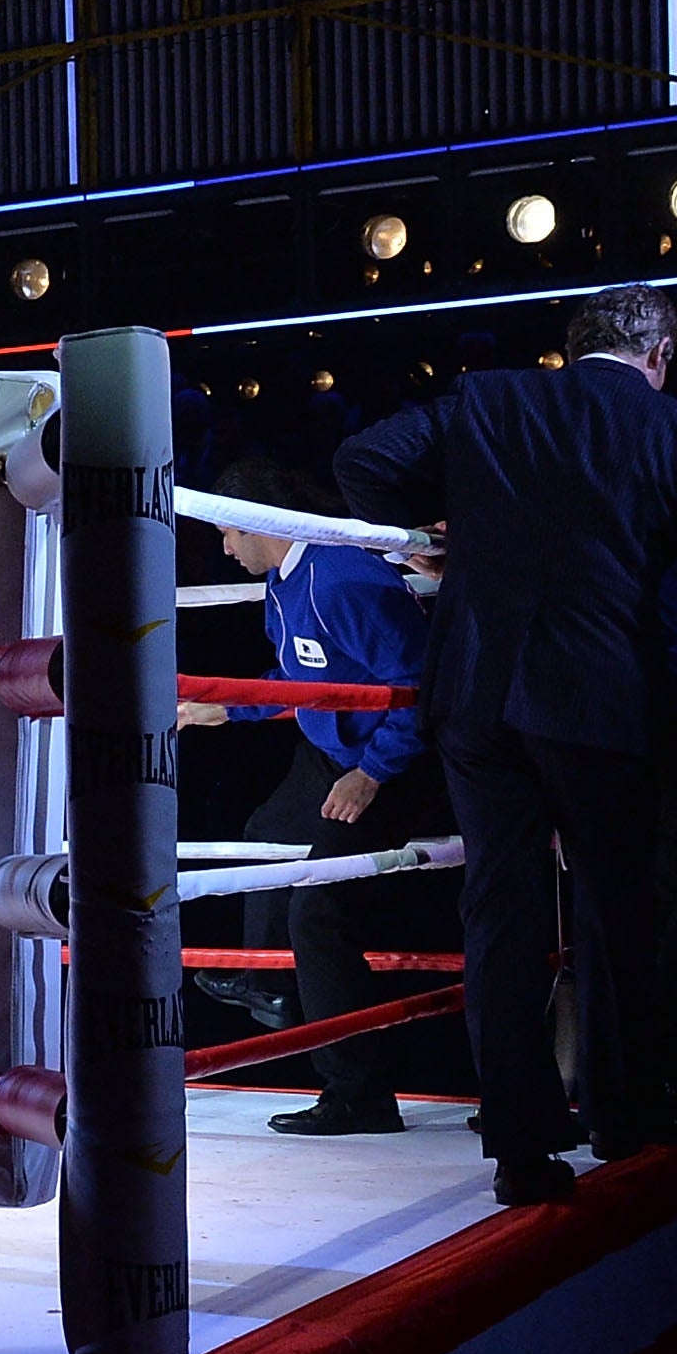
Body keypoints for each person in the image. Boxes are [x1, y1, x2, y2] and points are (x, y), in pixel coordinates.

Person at [337, 283, 677, 1203]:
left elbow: (364, 459)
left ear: (574, 348)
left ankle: (520, 1149)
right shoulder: (671, 428)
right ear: (657, 355)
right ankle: (621, 1115)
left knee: (501, 910)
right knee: (617, 910)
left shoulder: (494, 399)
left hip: (474, 690)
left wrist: (419, 548)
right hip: (598, 700)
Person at [177, 459, 447, 1136]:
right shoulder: (285, 577)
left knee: (319, 912)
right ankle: (267, 984)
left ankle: (358, 1092)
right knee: (267, 833)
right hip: (332, 750)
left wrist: (373, 775)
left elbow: (420, 686)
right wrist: (229, 708)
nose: (225, 548)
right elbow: (300, 671)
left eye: (226, 533)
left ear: (254, 523)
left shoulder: (345, 579)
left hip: (393, 760)